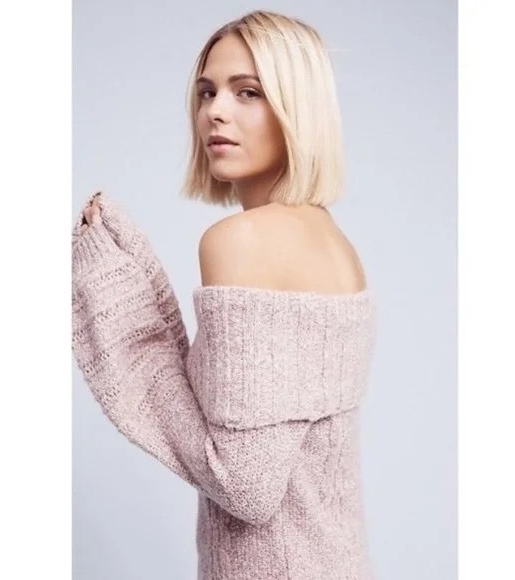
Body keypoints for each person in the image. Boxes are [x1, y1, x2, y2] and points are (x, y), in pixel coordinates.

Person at [74, 9, 378, 580]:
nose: (215, 111)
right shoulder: (334, 242)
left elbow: (244, 483)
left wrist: (118, 311)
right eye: (207, 91)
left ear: (297, 107)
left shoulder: (242, 240)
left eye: (249, 92)